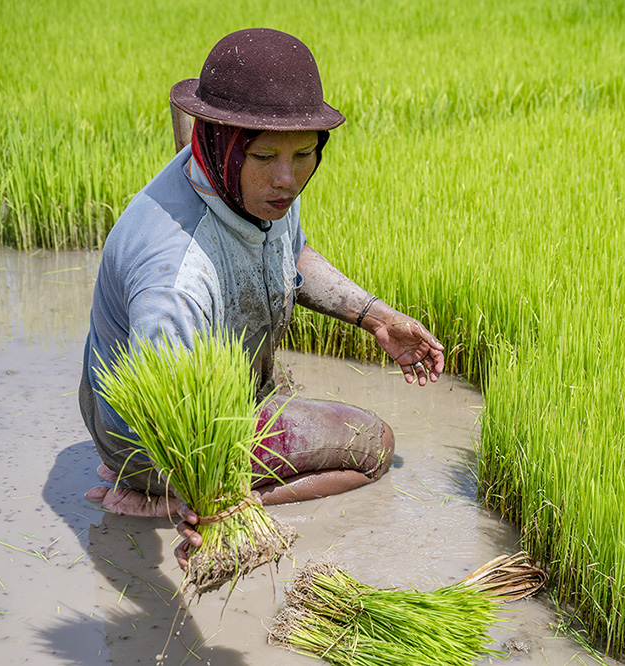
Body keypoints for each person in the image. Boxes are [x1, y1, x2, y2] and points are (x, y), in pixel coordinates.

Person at [79, 28, 445, 568]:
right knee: (375, 444)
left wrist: (374, 317)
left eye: (303, 155)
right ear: (223, 146)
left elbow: (287, 252)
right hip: (153, 436)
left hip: (151, 405)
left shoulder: (238, 181)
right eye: (267, 156)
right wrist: (198, 497)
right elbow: (171, 417)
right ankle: (160, 494)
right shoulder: (176, 278)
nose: (287, 179)